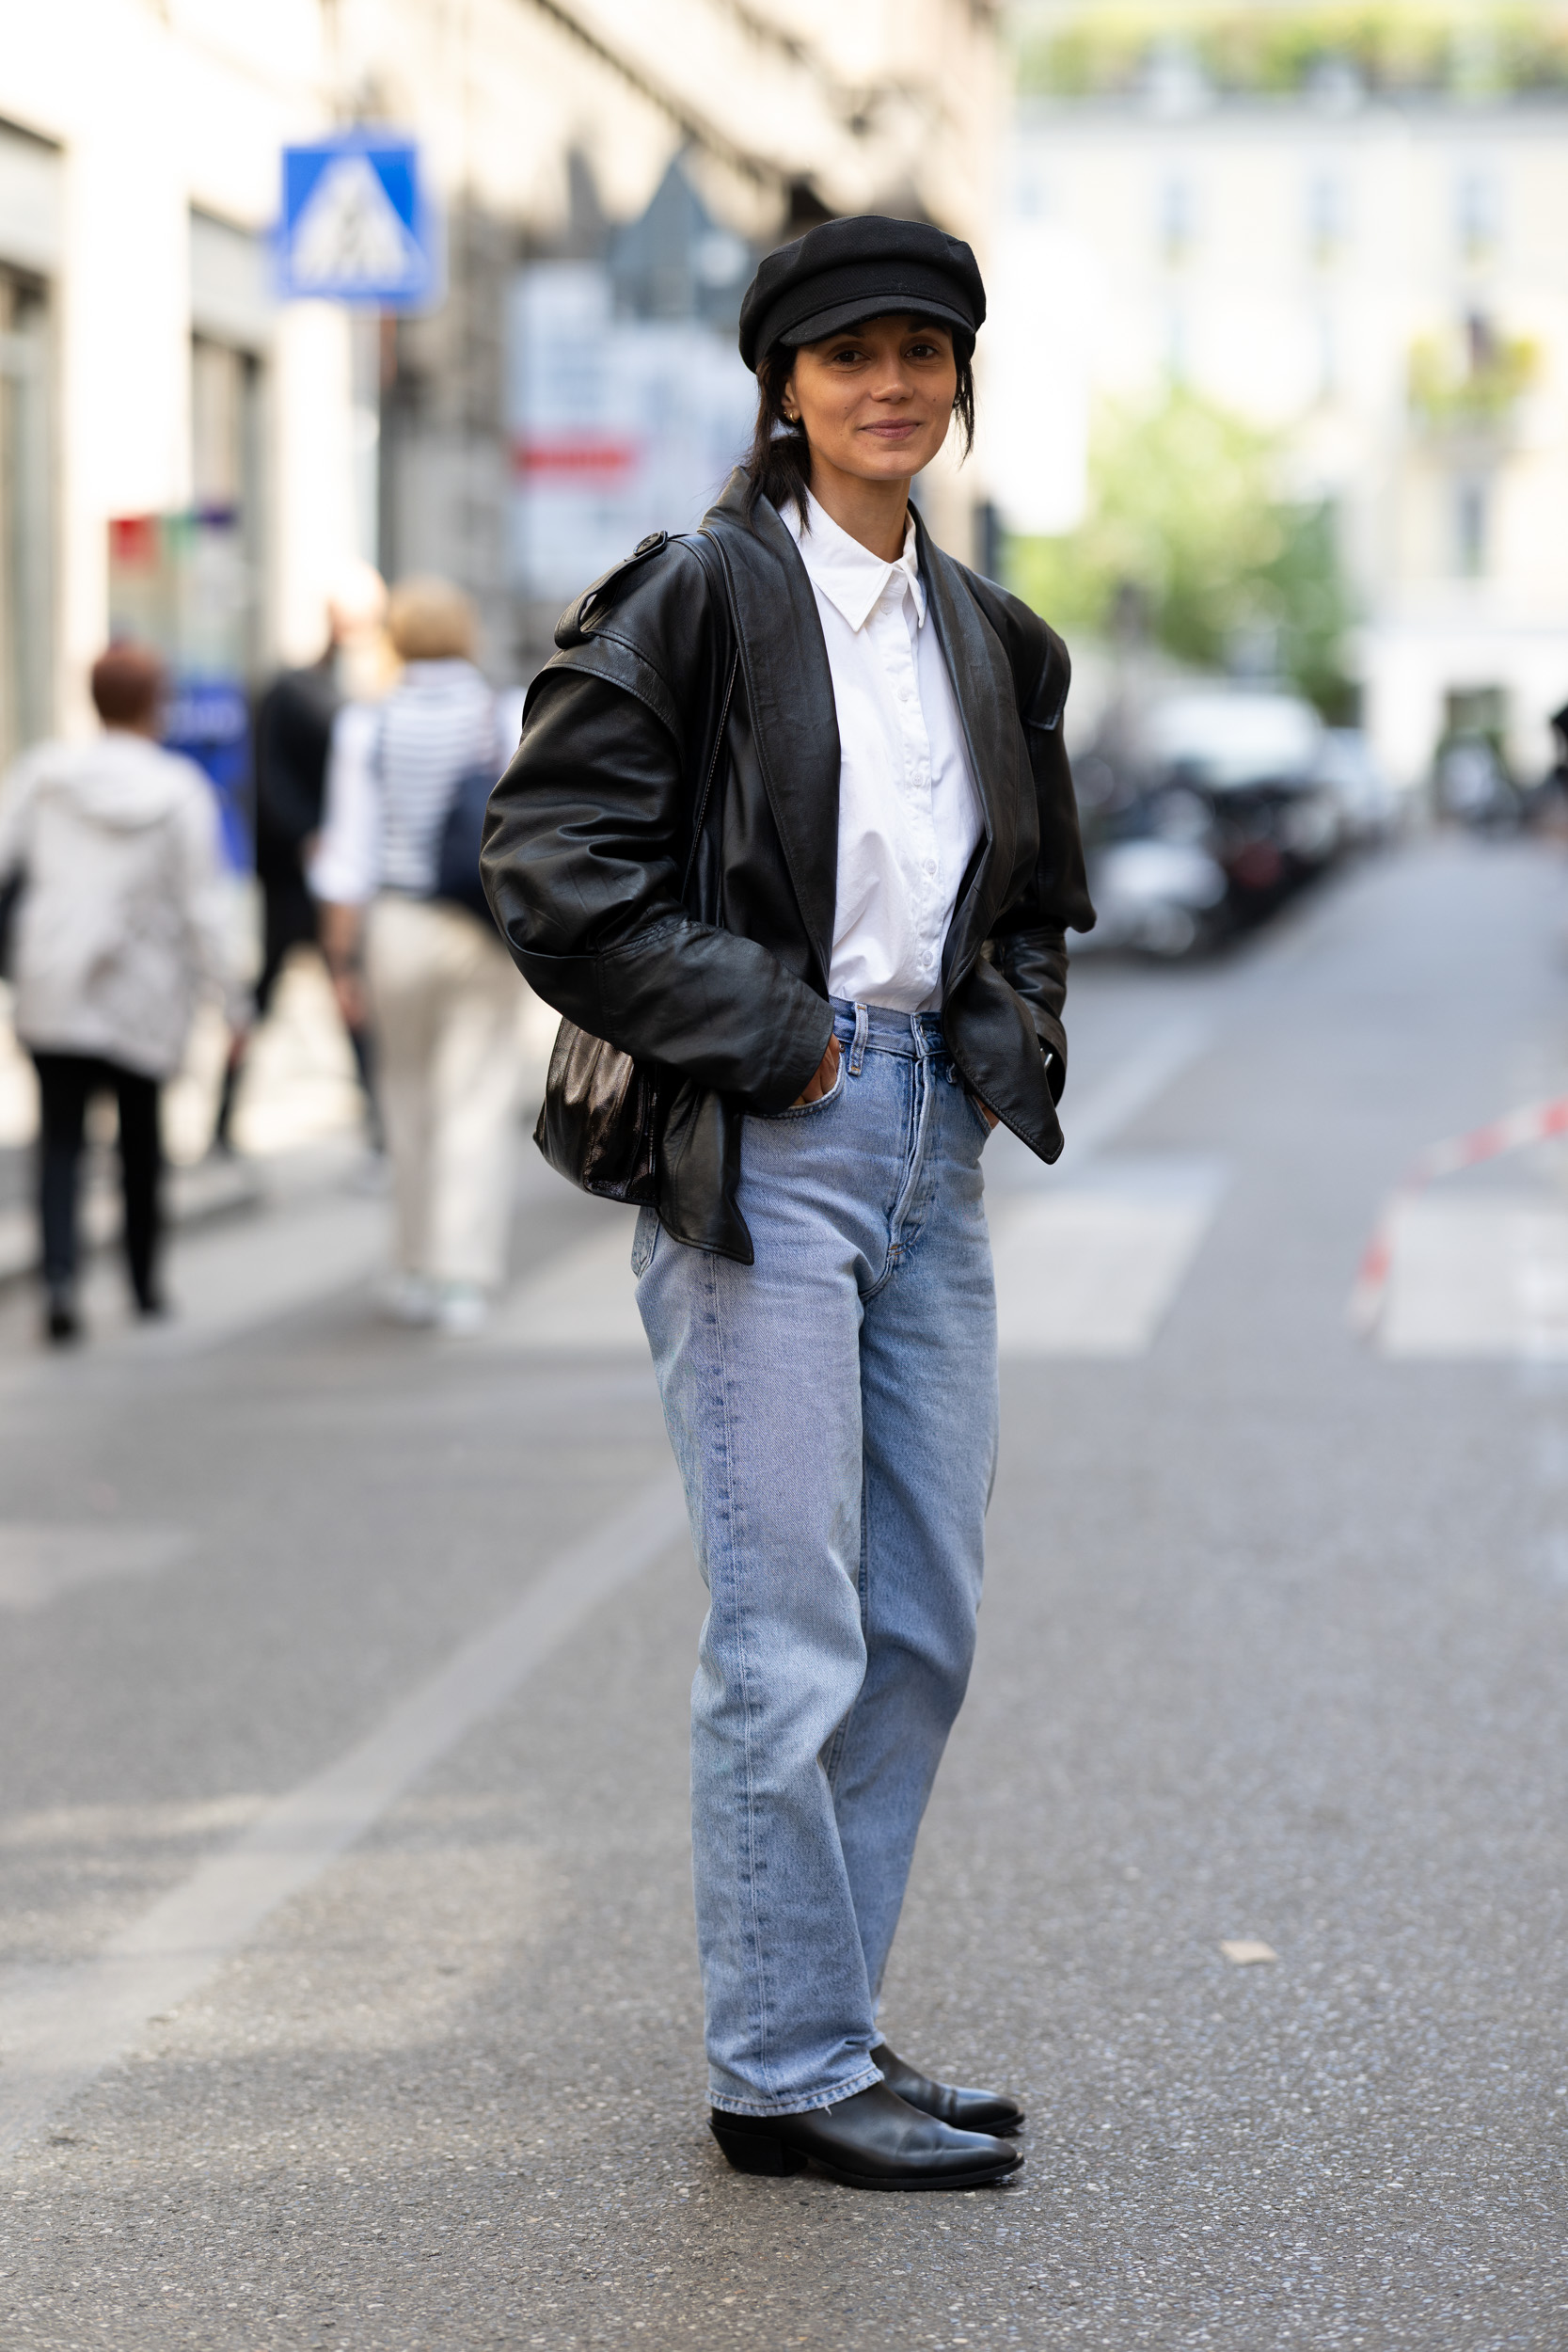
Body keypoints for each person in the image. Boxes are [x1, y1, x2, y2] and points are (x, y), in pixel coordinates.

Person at [483, 215, 1095, 2188]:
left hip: (927, 1136)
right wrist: (782, 1034)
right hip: (769, 1131)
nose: (888, 384)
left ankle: (824, 2023)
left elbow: (1032, 901)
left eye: (921, 352)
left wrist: (993, 1050)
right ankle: (783, 2067)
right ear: (783, 386)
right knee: (787, 1626)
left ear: (959, 382)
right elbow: (551, 861)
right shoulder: (699, 595)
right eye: (848, 357)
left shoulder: (990, 636)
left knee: (917, 1615)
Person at [0, 642, 246, 1343]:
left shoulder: (43, 775)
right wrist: (233, 1001)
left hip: (54, 979)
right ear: (155, 702)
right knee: (142, 1142)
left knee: (59, 1144)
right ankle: (142, 1285)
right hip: (144, 989)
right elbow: (206, 909)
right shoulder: (180, 789)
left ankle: (59, 1283)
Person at [311, 575, 520, 1338]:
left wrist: (338, 961)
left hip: (396, 924)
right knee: (475, 1095)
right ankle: (462, 1275)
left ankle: (412, 1264)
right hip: (480, 926)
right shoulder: (501, 715)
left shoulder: (368, 725)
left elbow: (346, 856)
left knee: (404, 1095)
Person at [213, 562, 388, 1152]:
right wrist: (309, 836)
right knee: (266, 990)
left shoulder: (361, 692)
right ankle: (220, 1118)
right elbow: (266, 782)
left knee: (349, 990)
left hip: (338, 877)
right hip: (294, 876)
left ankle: (380, 1125)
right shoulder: (293, 690)